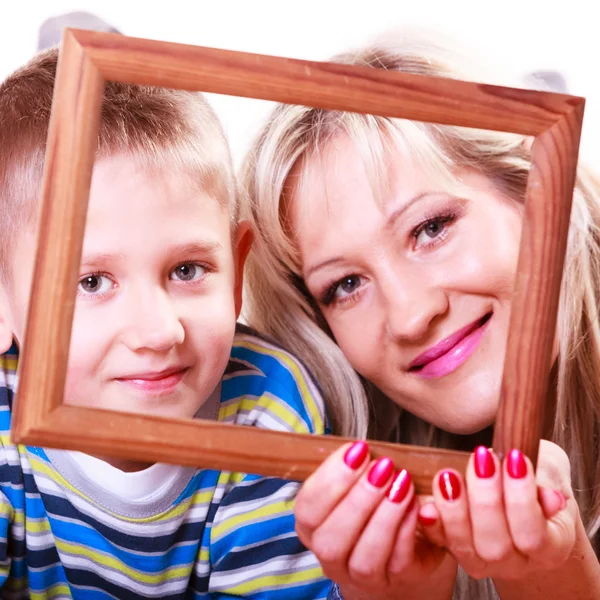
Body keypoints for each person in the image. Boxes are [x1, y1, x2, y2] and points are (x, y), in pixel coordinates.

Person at [240, 31, 600, 599]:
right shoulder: (322, 502)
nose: (410, 316)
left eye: (431, 228)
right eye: (346, 285)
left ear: (535, 189)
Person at [0, 47, 331, 599]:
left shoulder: (265, 404)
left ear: (236, 270)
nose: (158, 333)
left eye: (186, 269)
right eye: (92, 282)